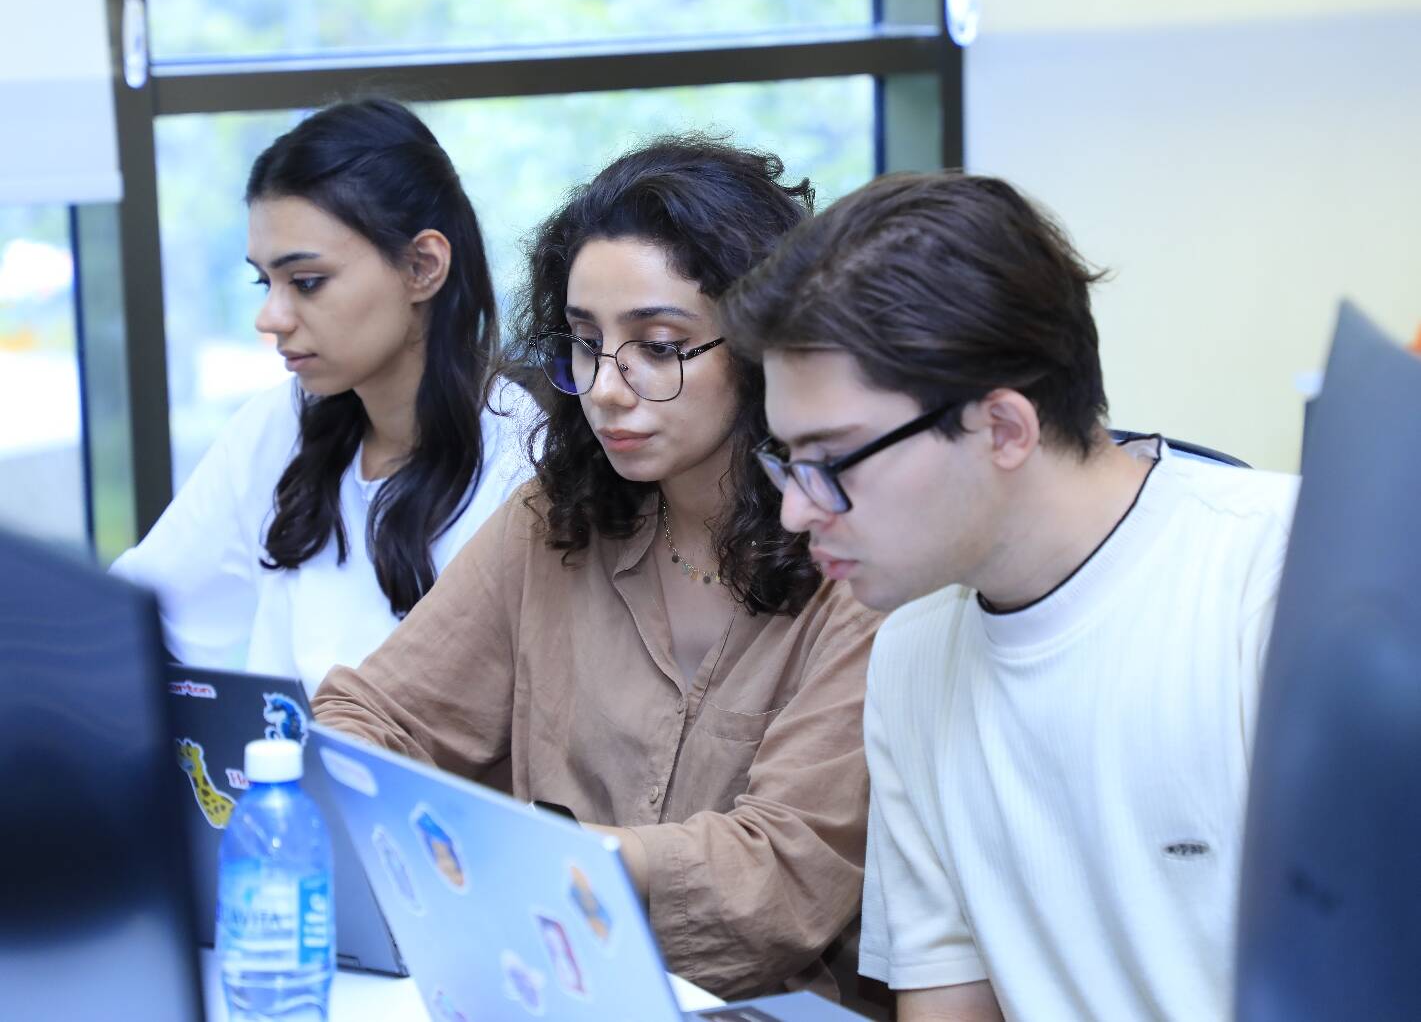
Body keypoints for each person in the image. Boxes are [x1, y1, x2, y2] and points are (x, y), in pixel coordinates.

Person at [718, 171, 1300, 1020]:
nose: (797, 510)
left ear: (1001, 428)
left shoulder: (1279, 577)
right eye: (788, 461)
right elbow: (947, 999)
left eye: (832, 461)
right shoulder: (912, 650)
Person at [312, 136, 881, 1001]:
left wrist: (549, 860)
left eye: (659, 346)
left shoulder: (859, 561)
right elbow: (372, 714)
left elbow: (781, 876)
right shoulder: (554, 519)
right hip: (544, 986)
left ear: (764, 348)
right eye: (584, 342)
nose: (607, 388)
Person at [112, 99, 535, 694]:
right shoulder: (280, 424)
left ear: (423, 266)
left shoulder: (522, 464)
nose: (270, 317)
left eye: (306, 282)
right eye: (265, 281)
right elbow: (133, 620)